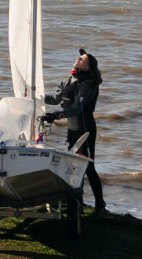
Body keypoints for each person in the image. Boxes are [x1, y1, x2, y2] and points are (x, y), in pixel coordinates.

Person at [44, 48, 106, 216]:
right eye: (79, 57)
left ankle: (100, 205)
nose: (78, 58)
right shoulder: (68, 80)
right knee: (72, 166)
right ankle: (77, 202)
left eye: (82, 58)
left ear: (88, 67)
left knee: (88, 167)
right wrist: (35, 95)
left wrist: (55, 115)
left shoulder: (89, 85)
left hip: (85, 130)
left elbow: (76, 110)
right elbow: (55, 99)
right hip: (72, 130)